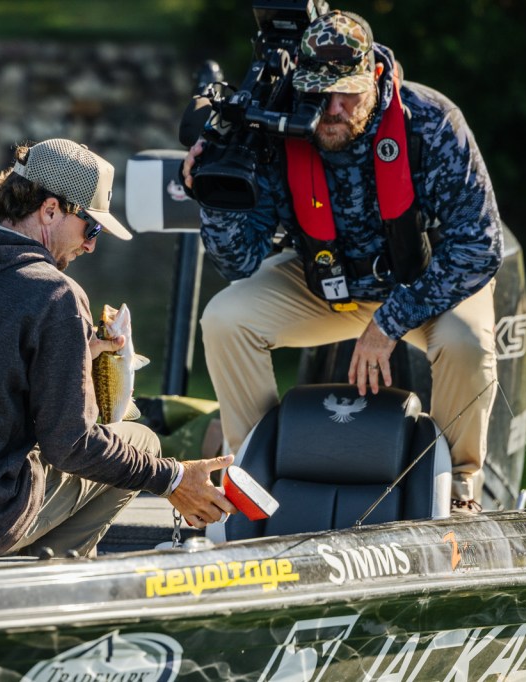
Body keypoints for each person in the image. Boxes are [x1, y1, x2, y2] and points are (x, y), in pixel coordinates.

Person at [182, 11, 502, 512]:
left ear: (376, 77)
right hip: (322, 280)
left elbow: (480, 246)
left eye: (347, 94)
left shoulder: (431, 121)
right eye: (319, 93)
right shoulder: (276, 126)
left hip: (420, 286)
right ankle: (250, 476)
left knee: (467, 341)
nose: (332, 109)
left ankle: (457, 491)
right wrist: (215, 191)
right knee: (225, 319)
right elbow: (238, 262)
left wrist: (390, 321)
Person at [0, 138, 235, 558]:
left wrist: (74, 358)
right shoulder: (55, 293)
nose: (91, 244)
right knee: (142, 442)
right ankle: (53, 574)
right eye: (91, 228)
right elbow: (73, 446)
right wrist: (172, 478)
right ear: (51, 209)